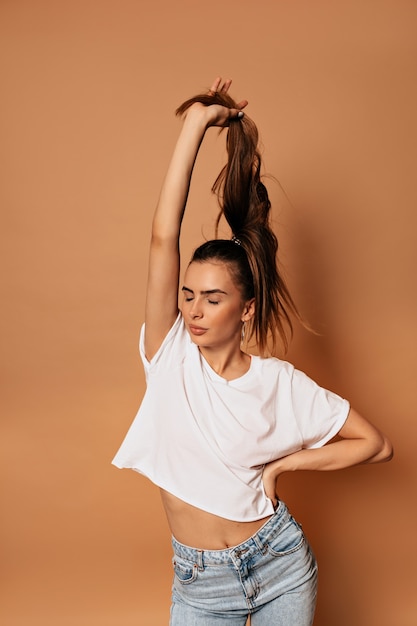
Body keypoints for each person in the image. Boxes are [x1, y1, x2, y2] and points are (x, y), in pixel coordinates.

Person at [112, 78, 393, 625]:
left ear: (245, 309)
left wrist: (288, 464)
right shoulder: (169, 354)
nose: (193, 309)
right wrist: (196, 124)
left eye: (212, 299)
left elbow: (375, 445)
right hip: (200, 584)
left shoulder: (279, 384)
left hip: (280, 566)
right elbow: (161, 236)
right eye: (187, 295)